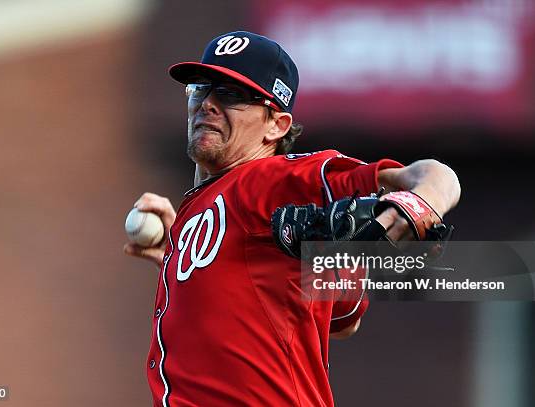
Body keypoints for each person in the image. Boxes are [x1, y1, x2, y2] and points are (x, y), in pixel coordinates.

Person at [124, 31, 461, 406]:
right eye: (202, 88)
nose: (208, 104)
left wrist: (419, 203)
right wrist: (181, 252)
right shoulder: (203, 214)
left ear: (277, 125)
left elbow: (436, 176)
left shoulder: (269, 181)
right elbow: (345, 321)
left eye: (232, 95)